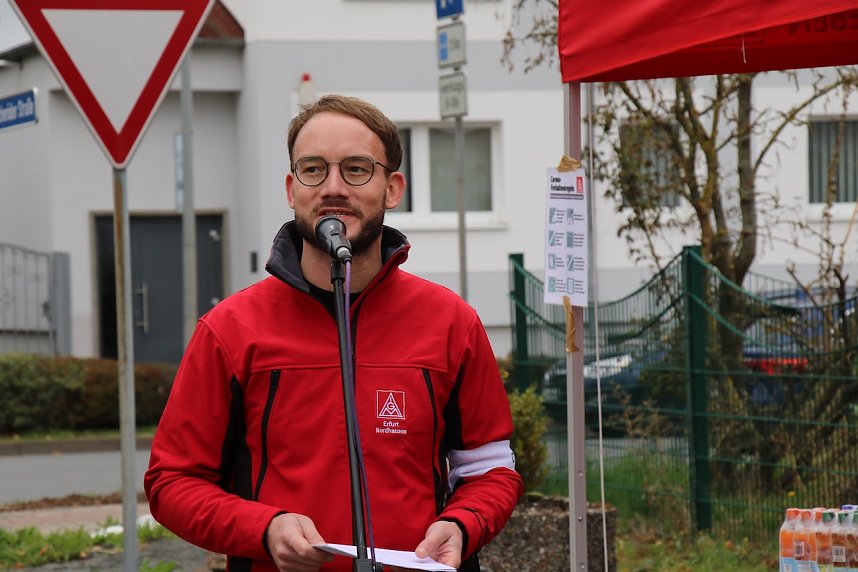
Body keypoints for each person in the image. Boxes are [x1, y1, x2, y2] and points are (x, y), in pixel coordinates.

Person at [144, 94, 523, 572]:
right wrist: (263, 529)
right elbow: (172, 481)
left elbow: (489, 469)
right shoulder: (230, 330)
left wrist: (464, 523)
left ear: (392, 187)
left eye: (357, 169)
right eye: (313, 169)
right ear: (291, 187)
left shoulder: (451, 323)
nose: (333, 188)